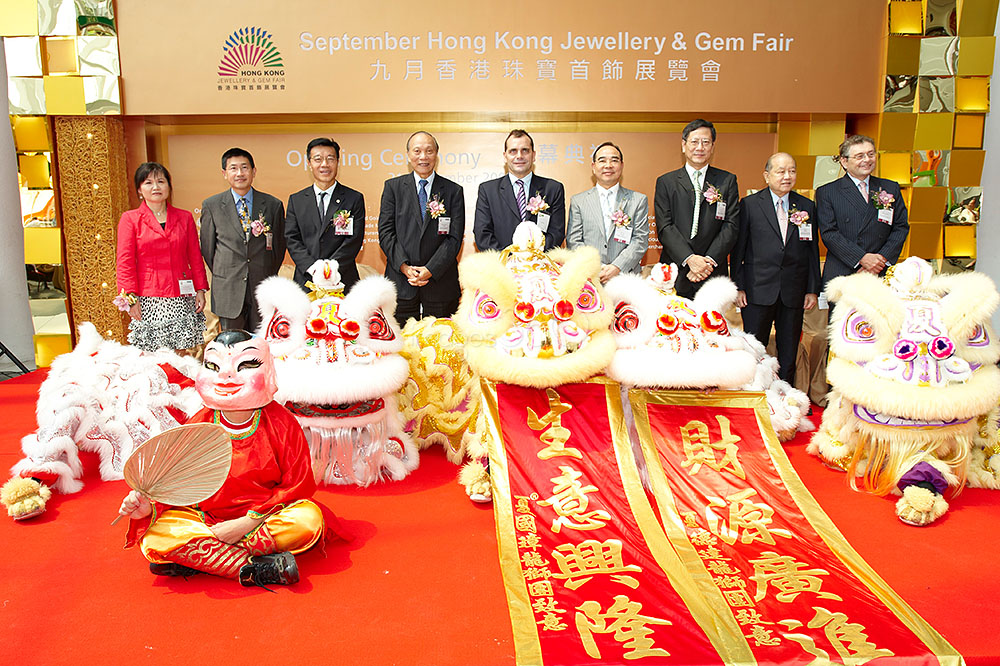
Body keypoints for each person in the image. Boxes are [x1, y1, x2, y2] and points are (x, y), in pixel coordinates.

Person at [118, 330, 326, 589]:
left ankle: (203, 558)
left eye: (246, 365)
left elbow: (297, 486)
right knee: (155, 537)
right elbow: (176, 484)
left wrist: (245, 523)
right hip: (206, 518)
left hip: (263, 517)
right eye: (214, 366)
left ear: (269, 371)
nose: (227, 376)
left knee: (308, 520)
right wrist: (149, 507)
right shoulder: (198, 425)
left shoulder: (282, 423)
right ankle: (256, 568)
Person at [731, 153, 820, 384]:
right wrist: (738, 286)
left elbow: (812, 251)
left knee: (789, 349)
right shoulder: (750, 205)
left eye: (792, 171)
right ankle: (754, 391)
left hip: (793, 290)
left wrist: (812, 289)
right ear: (767, 175)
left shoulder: (806, 206)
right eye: (780, 171)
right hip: (757, 289)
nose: (787, 176)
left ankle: (786, 393)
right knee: (754, 347)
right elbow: (739, 250)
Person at [115, 162, 208, 352]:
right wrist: (130, 298)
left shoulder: (184, 217)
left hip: (182, 295)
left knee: (182, 352)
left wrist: (200, 289)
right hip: (148, 297)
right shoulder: (130, 219)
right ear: (139, 190)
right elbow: (125, 262)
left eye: (160, 181)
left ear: (169, 186)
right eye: (148, 182)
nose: (155, 187)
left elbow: (195, 256)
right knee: (152, 355)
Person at [378, 131, 465, 323]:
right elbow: (386, 233)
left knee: (441, 338)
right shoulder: (393, 188)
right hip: (401, 283)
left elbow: (454, 238)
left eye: (429, 151)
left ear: (436, 154)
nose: (423, 156)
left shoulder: (453, 191)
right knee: (400, 339)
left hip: (440, 284)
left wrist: (431, 269)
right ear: (408, 155)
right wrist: (404, 267)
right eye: (417, 151)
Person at [200, 148, 286, 332]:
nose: (239, 173)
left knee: (263, 342)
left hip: (262, 288)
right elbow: (208, 249)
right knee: (232, 343)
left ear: (254, 171)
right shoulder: (212, 206)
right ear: (224, 173)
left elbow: (278, 248)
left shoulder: (273, 205)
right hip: (228, 290)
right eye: (233, 168)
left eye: (244, 167)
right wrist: (227, 271)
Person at [654, 119, 740, 298]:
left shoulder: (727, 180)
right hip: (675, 271)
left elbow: (731, 226)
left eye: (705, 142)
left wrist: (707, 262)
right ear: (683, 145)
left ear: (712, 147)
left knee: (712, 317)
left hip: (712, 272)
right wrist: (690, 259)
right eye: (694, 142)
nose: (700, 147)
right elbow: (665, 227)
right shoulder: (666, 182)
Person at [817, 134, 909, 290]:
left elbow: (901, 227)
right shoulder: (828, 192)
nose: (867, 160)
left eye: (870, 154)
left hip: (881, 271)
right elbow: (829, 233)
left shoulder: (890, 188)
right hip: (845, 270)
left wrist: (879, 261)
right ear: (844, 161)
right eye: (860, 156)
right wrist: (862, 258)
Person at [284, 137, 366, 292]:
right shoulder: (296, 200)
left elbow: (353, 240)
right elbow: (292, 238)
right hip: (307, 280)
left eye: (330, 159)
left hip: (342, 279)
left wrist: (330, 269)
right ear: (309, 164)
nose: (324, 164)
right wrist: (313, 268)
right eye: (318, 159)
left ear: (338, 162)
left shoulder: (353, 198)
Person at [567, 142, 649, 282]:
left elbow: (640, 240)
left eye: (614, 160)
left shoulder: (638, 200)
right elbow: (574, 241)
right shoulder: (578, 201)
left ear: (622, 166)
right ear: (593, 167)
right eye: (602, 160)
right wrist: (595, 267)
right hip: (590, 278)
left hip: (626, 278)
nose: (608, 165)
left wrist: (617, 267)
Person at [474, 129, 565, 251]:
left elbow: (556, 233)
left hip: (540, 261)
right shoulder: (488, 190)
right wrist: (509, 258)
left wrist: (531, 256)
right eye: (513, 151)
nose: (519, 156)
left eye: (525, 150)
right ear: (505, 156)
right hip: (500, 262)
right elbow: (482, 234)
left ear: (533, 155)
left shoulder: (553, 189)